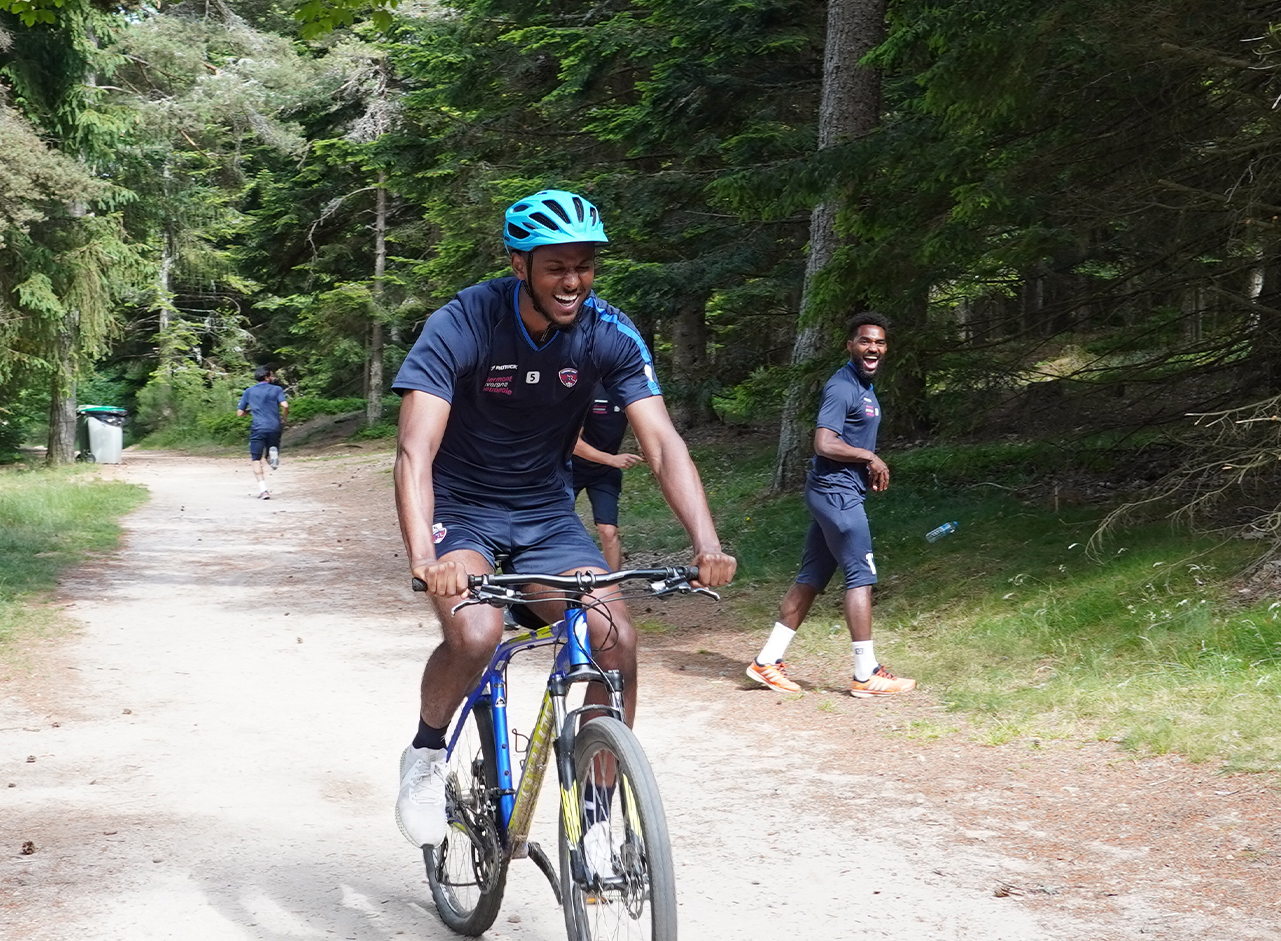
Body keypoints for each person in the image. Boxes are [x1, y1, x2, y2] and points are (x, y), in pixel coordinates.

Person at [391, 188, 737, 847]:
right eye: (557, 266)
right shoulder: (465, 322)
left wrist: (706, 540)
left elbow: (661, 442)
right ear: (520, 265)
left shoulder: (608, 330)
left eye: (584, 265)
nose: (573, 281)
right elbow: (415, 447)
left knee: (615, 639)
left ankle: (602, 817)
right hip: (461, 510)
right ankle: (426, 756)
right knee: (475, 634)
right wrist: (422, 557)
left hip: (547, 515)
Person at [745, 312, 915, 699]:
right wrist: (869, 458)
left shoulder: (864, 386)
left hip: (838, 492)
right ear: (850, 345)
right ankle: (865, 673)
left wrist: (862, 461)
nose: (873, 348)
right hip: (835, 493)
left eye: (880, 343)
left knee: (812, 577)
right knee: (861, 574)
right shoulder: (842, 387)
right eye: (865, 341)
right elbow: (824, 442)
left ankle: (766, 662)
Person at [569, 385, 643, 571]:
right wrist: (611, 459)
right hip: (570, 468)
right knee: (556, 527)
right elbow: (572, 442)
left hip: (605, 472)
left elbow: (642, 422)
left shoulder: (630, 391)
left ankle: (612, 589)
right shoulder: (587, 389)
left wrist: (644, 443)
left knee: (609, 531)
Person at [238, 365, 288, 499]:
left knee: (256, 459)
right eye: (271, 375)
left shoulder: (249, 391)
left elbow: (240, 413)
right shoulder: (277, 389)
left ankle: (263, 490)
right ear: (266, 377)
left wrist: (250, 410)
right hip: (274, 426)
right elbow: (285, 405)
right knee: (271, 450)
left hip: (258, 428)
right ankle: (272, 457)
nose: (273, 378)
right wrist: (284, 418)